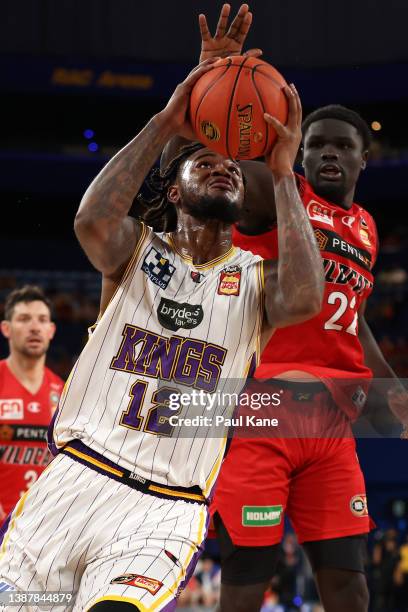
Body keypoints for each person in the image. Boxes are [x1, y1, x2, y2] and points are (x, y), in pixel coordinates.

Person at [0, 57, 324, 610]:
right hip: (75, 479)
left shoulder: (255, 280)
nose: (225, 167)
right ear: (173, 190)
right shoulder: (133, 250)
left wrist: (284, 171)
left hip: (165, 507)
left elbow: (306, 299)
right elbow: (91, 222)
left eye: (235, 168)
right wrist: (171, 122)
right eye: (205, 161)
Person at [182, 5, 408, 612]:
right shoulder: (276, 193)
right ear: (299, 152)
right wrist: (213, 78)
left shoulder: (365, 227)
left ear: (366, 158)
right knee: (250, 570)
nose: (329, 154)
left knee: (348, 579)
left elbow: (352, 319)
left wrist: (392, 401)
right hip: (263, 410)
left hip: (331, 423)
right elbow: (221, 163)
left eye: (344, 146)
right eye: (316, 144)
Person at [0, 285, 63, 527]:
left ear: (51, 330)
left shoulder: (64, 393)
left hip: (40, 532)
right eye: (24, 319)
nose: (34, 327)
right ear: (6, 328)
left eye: (42, 320)